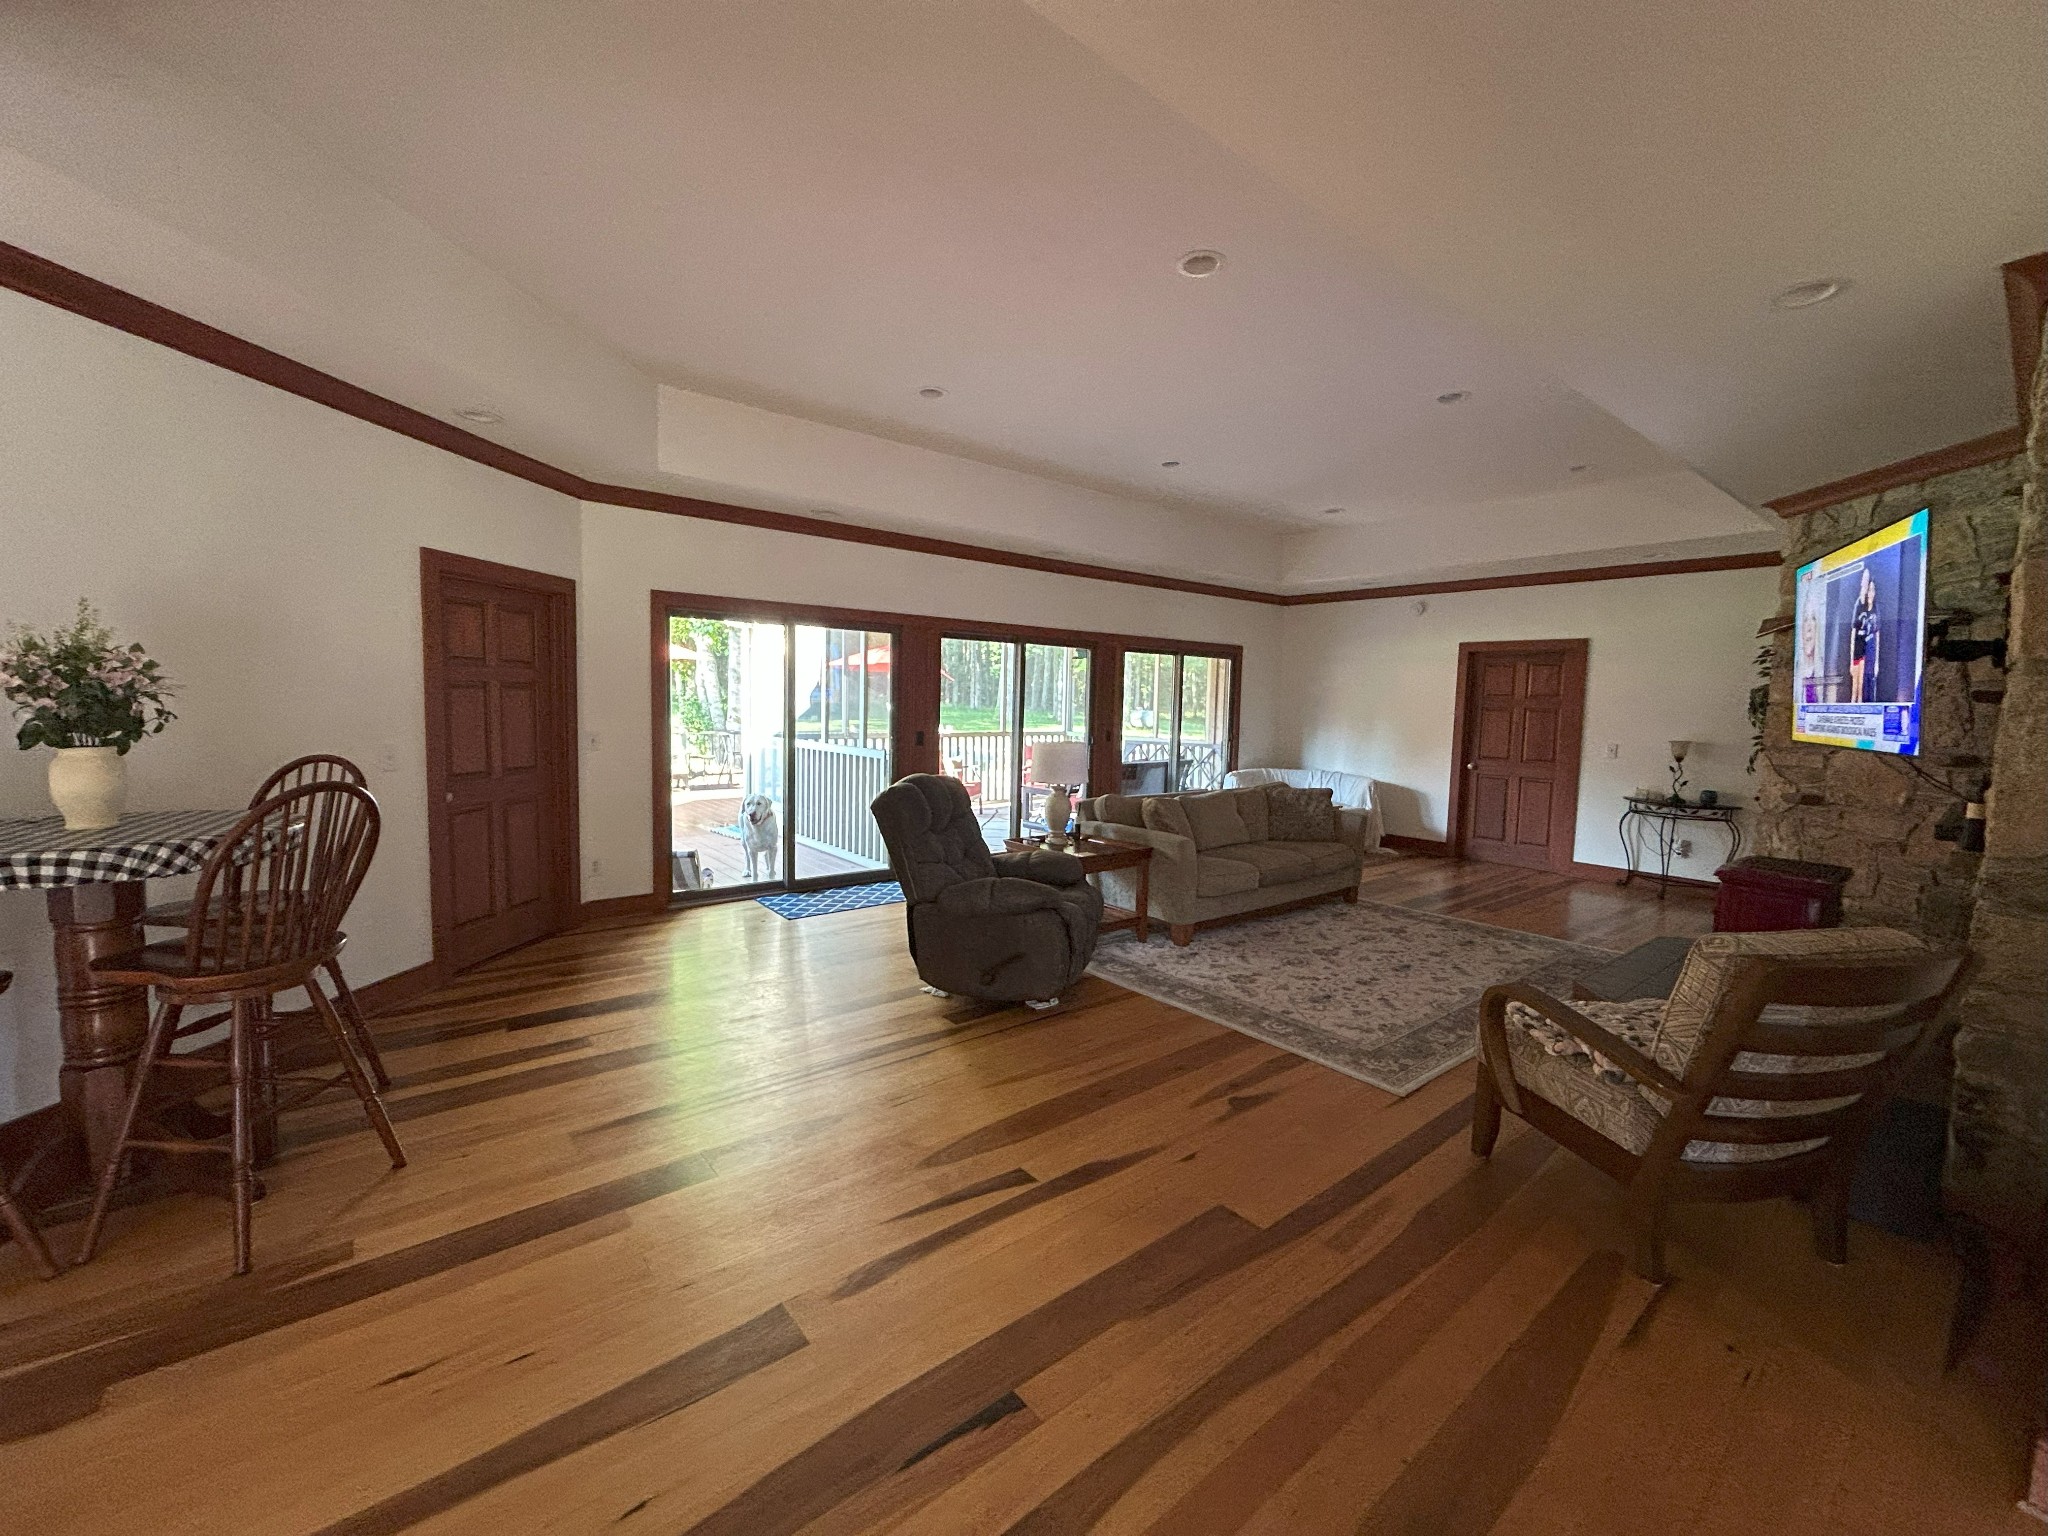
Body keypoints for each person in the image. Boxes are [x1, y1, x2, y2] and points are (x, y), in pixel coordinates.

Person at [1848, 569, 1880, 703]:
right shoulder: (1859, 605)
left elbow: (1877, 634)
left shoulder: (1875, 610)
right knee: (1854, 687)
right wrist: (1851, 660)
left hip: (1868, 651)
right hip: (1858, 648)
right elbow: (1853, 632)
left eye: (1872, 589)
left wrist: (1877, 662)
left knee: (1862, 686)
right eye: (1867, 586)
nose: (1869, 591)